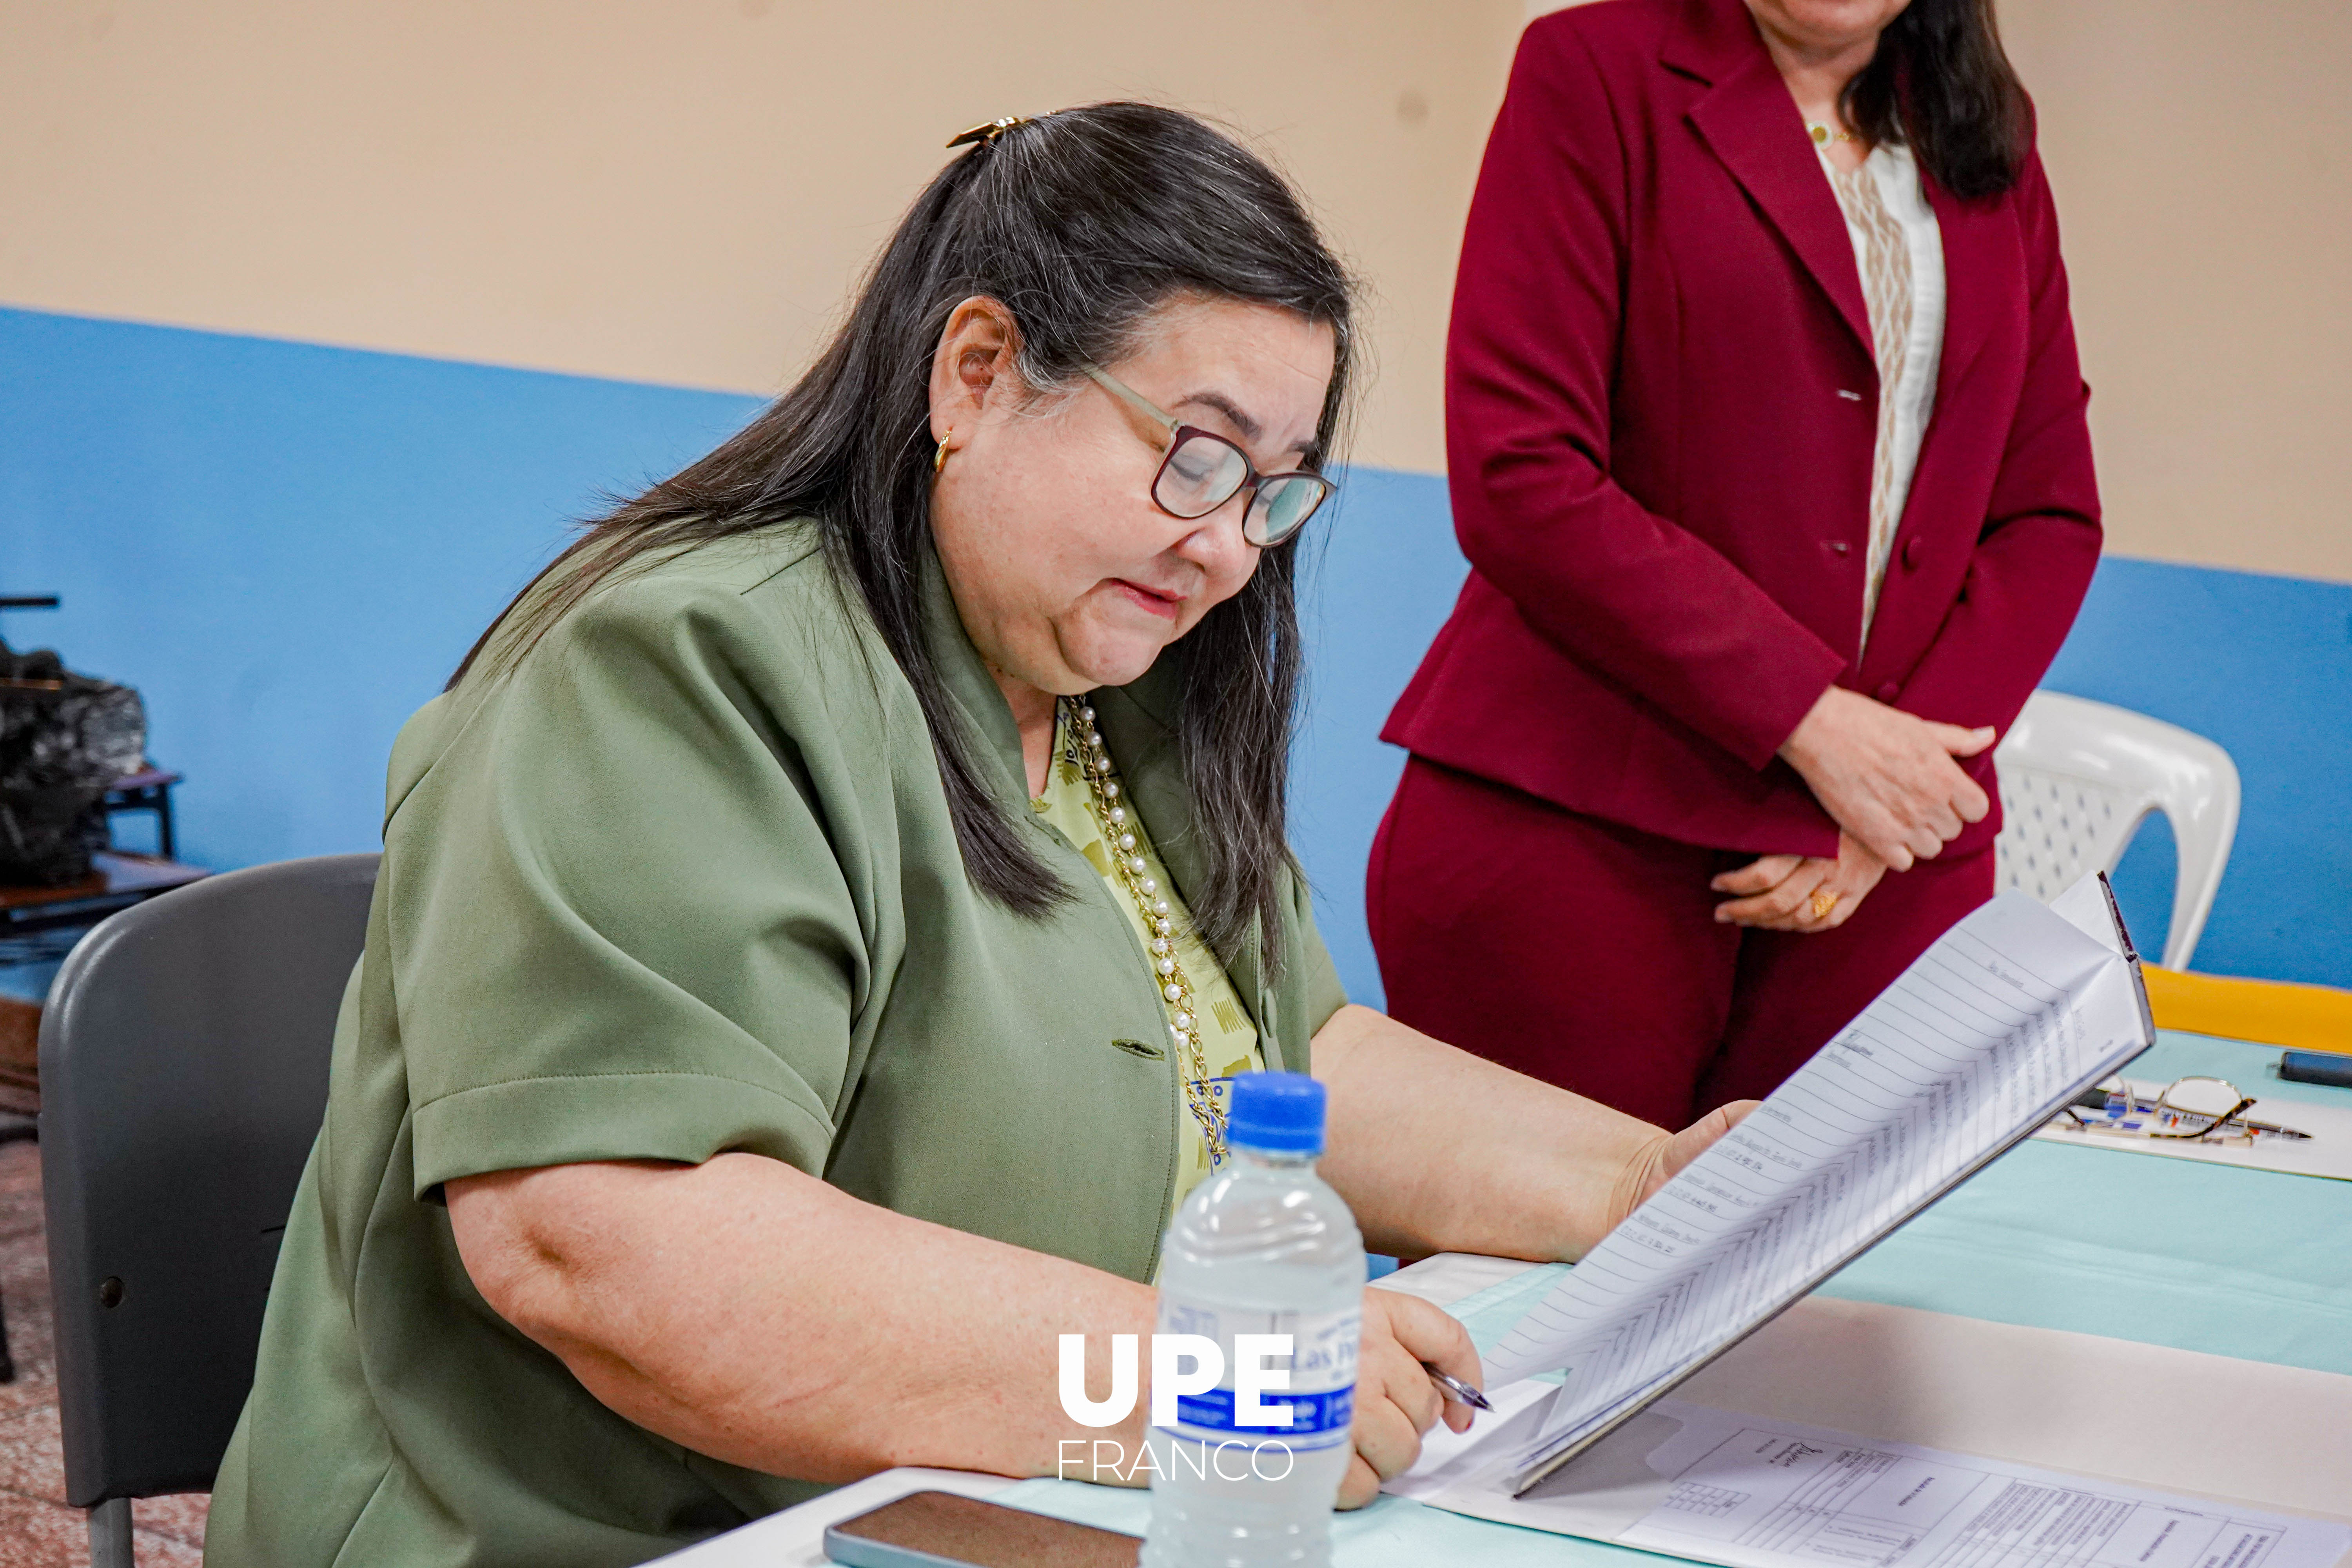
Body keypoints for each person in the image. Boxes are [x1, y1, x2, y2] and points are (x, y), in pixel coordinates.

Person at [204, 105, 1750, 1568]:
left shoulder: (1104, 682)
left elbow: (1288, 1062)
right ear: (979, 374)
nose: (1223, 546)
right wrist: (1201, 1380)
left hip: (960, 1505)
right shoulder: (675, 671)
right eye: (1193, 455)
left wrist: (1650, 1184)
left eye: (1273, 497)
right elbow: (608, 1247)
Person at [1371, 0, 2102, 1130]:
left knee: (1840, 1300)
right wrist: (1820, 726)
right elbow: (1524, 471)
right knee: (1544, 1295)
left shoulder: (1984, 133)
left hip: (1883, 873)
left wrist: (1891, 796)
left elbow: (2049, 512)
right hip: (1585, 838)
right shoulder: (1594, 69)